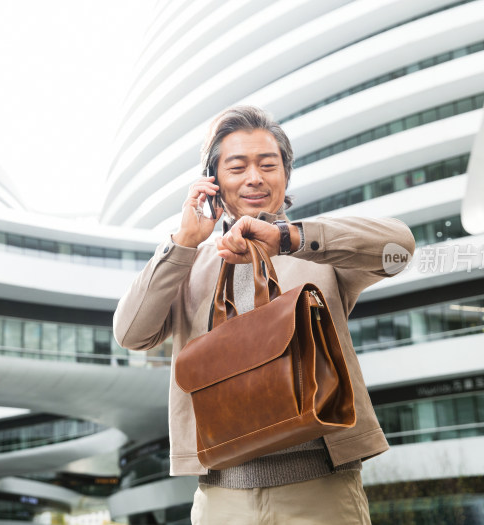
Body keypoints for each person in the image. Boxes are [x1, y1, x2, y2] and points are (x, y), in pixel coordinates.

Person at [114, 105, 415, 524]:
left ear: (285, 175)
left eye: (267, 164)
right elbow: (130, 333)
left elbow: (399, 248)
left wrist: (290, 238)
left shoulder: (317, 250)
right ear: (213, 182)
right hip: (221, 501)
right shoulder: (189, 265)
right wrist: (182, 242)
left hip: (321, 490)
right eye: (237, 167)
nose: (254, 177)